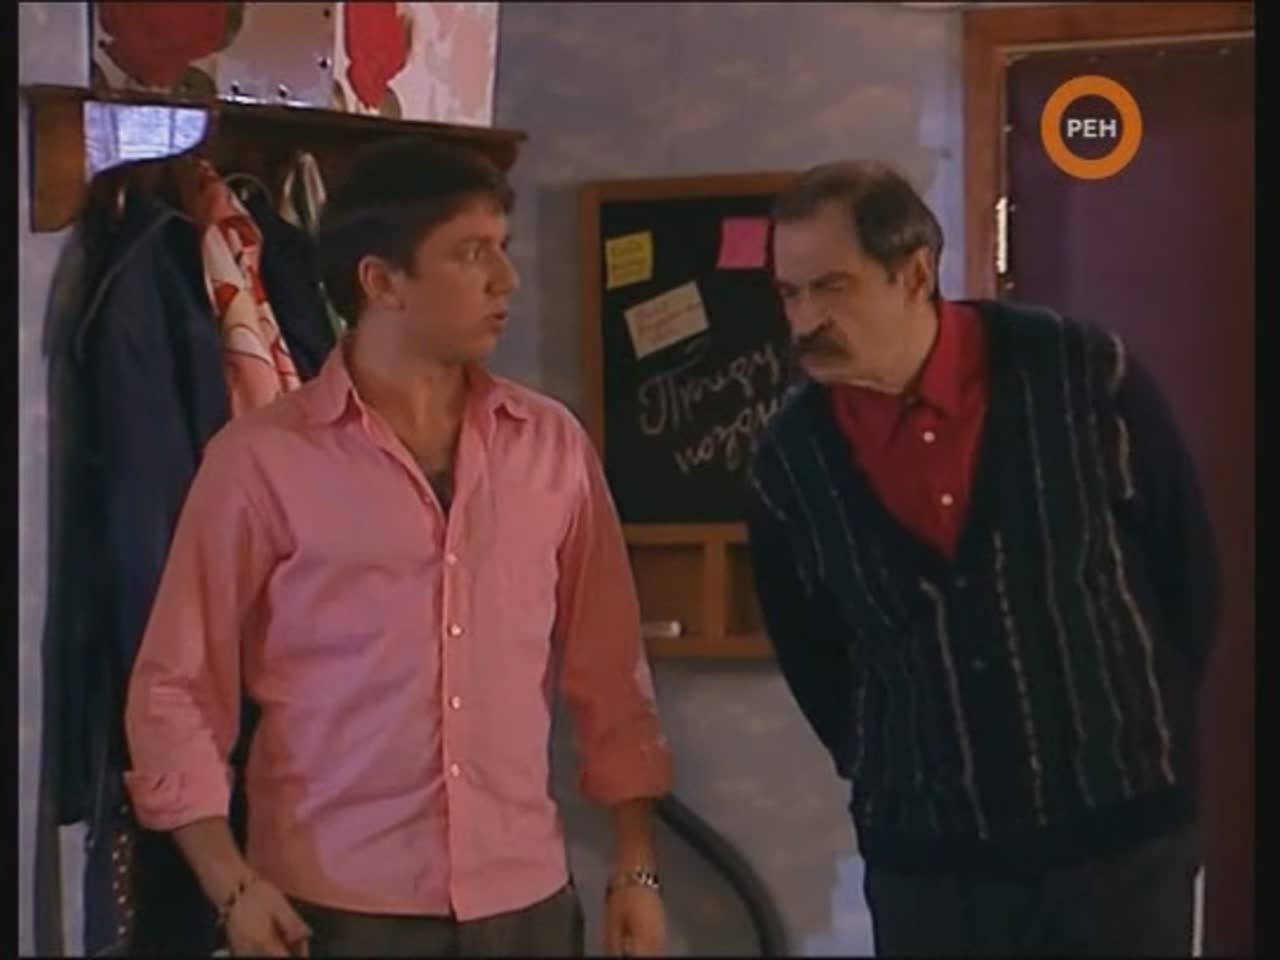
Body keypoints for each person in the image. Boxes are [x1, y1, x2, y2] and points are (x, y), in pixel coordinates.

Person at [123, 138, 673, 958]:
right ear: (381, 282)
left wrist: (635, 866)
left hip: (523, 899)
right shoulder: (260, 461)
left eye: (503, 248)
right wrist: (229, 882)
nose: (506, 280)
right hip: (331, 905)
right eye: (471, 253)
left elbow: (611, 667)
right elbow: (178, 685)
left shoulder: (550, 445)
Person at [747, 160, 1220, 956]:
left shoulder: (1081, 375)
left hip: (1121, 839)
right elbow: (814, 656)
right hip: (931, 864)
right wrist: (897, 762)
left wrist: (1133, 723)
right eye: (789, 294)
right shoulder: (791, 462)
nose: (804, 322)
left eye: (831, 288)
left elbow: (1189, 576)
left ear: (914, 274)